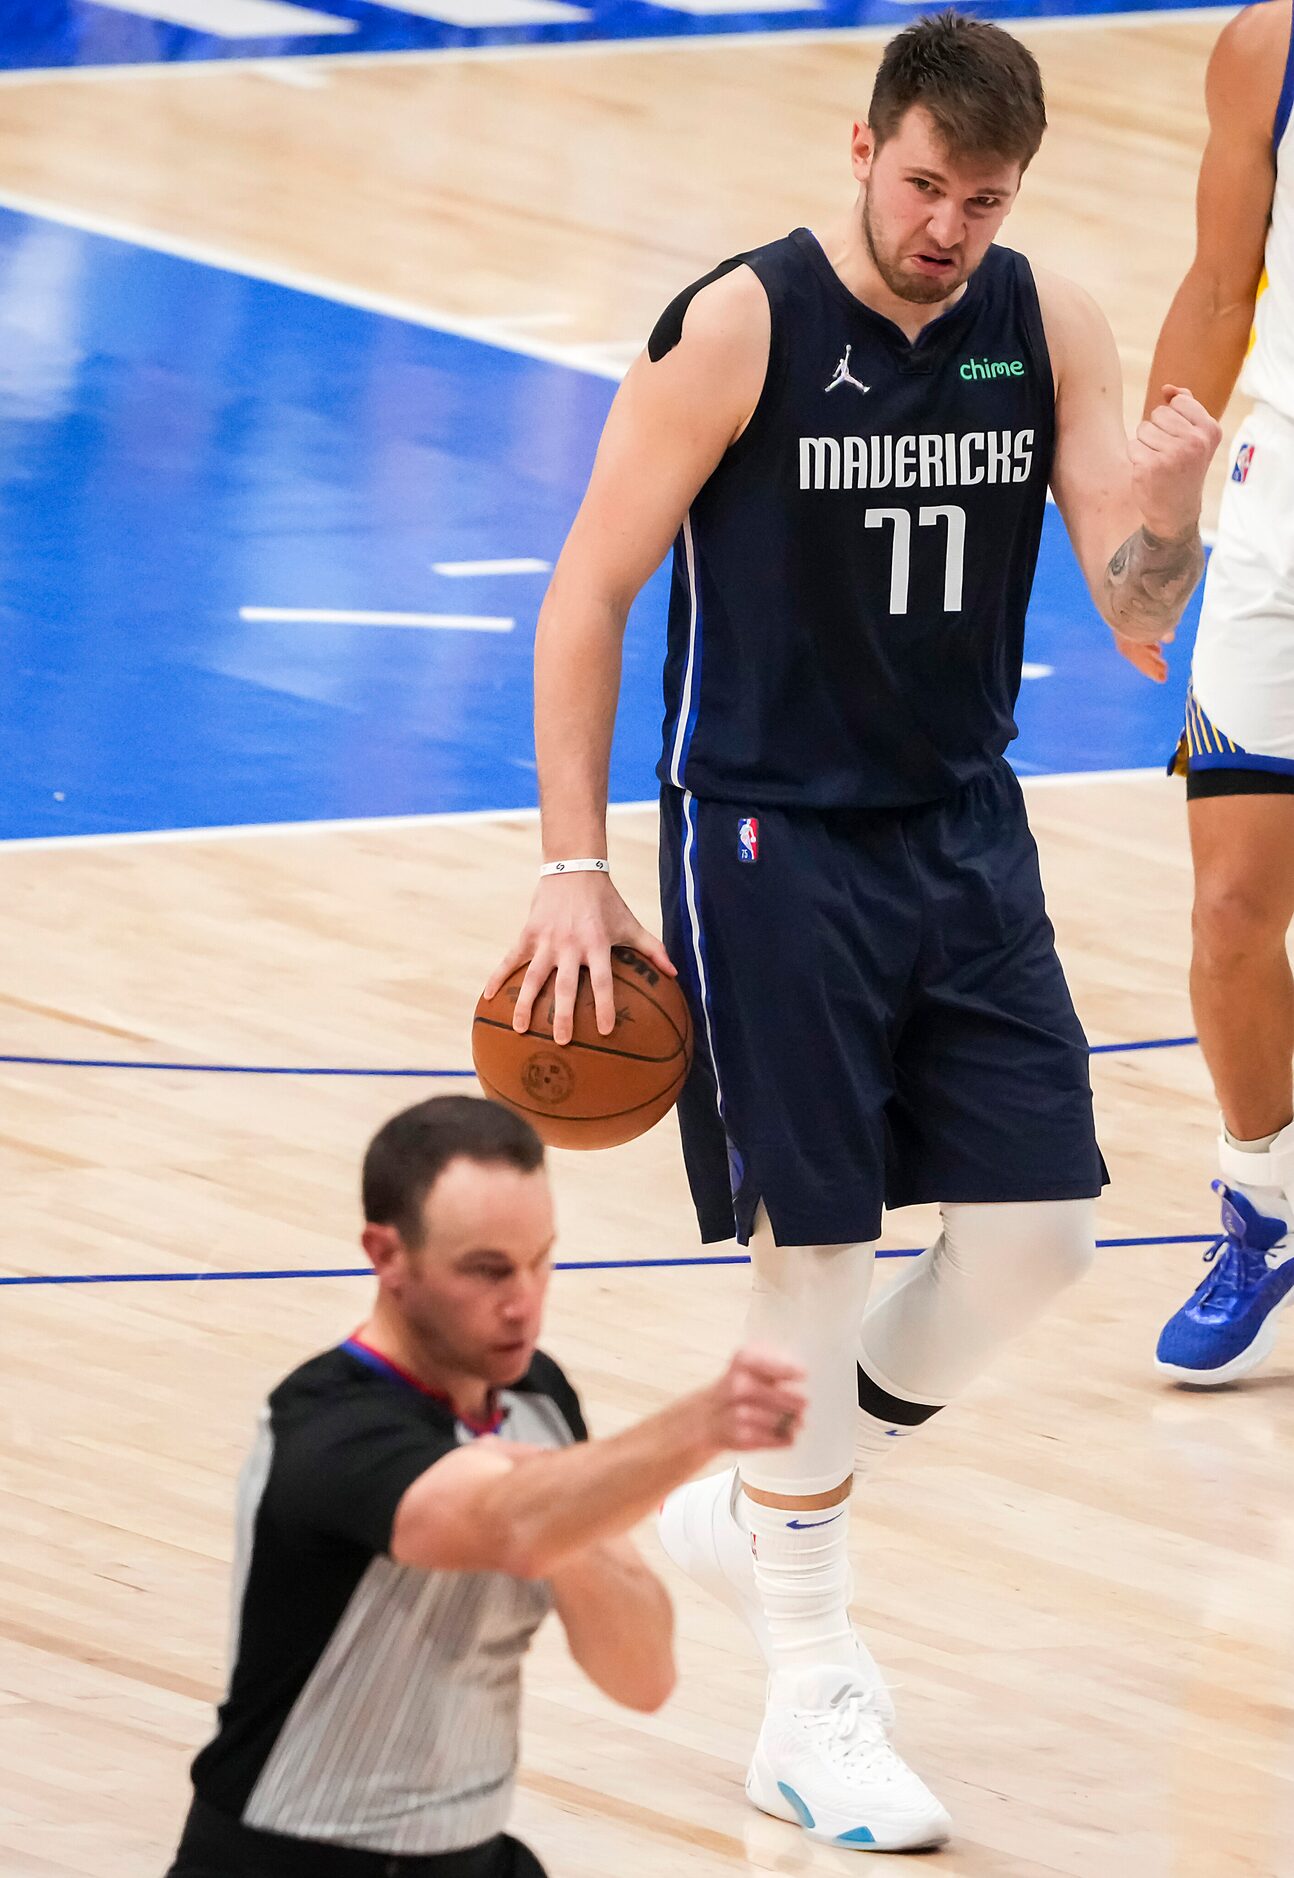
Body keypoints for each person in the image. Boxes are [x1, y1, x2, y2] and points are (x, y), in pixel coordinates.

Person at [487, 9, 1220, 1851]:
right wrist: (573, 864)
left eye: (981, 199)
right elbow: (584, 594)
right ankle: (806, 1689)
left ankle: (760, 1494)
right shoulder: (733, 326)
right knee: (809, 1251)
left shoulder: (1039, 318)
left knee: (1044, 1229)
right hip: (762, 835)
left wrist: (1167, 508)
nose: (946, 228)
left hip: (963, 827)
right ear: (856, 146)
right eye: (921, 186)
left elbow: (1135, 617)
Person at [164, 1094, 806, 1878]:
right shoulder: (326, 1427)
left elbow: (643, 1675)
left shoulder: (537, 1399)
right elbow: (500, 1527)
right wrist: (699, 1428)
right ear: (387, 1255)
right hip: (289, 1857)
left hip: (466, 1855)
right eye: (488, 1270)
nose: (523, 1301)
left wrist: (558, 1518)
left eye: (541, 1261)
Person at [1117, 1, 1294, 1385]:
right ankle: (1264, 1201)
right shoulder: (1265, 49)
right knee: (1230, 902)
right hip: (1277, 519)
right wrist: (1157, 522)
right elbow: (1219, 285)